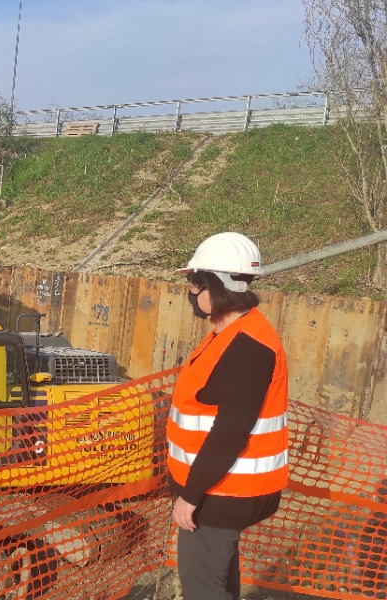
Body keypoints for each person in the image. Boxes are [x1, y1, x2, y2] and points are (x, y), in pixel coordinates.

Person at [166, 232, 289, 600]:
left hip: (219, 493)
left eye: (194, 283)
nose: (190, 292)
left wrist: (191, 496)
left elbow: (229, 432)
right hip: (219, 488)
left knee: (202, 587)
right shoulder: (231, 331)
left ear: (216, 286)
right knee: (218, 579)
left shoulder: (247, 347)